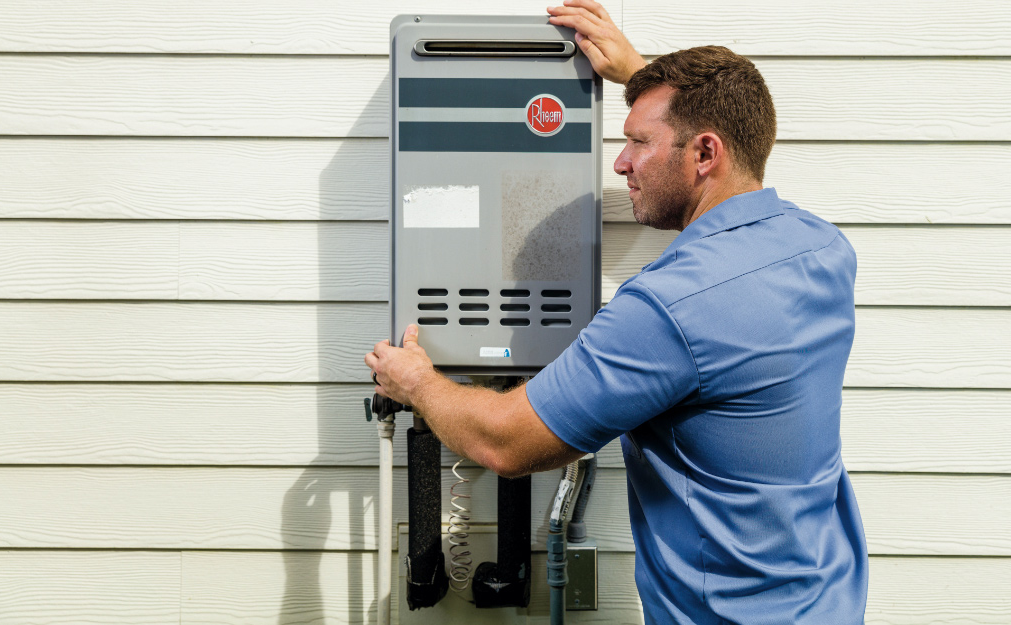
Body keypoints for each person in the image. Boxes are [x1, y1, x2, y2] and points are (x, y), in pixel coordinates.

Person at [366, 1, 869, 621]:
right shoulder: (821, 248)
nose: (621, 162)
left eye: (638, 142)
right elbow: (732, 146)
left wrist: (416, 382)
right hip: (825, 600)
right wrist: (642, 78)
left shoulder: (669, 309)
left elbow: (506, 444)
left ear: (705, 153)